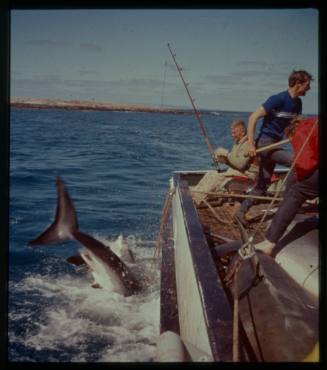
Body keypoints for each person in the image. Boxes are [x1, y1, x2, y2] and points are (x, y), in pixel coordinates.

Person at [236, 70, 313, 225]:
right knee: (296, 163)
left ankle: (240, 212)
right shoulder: (277, 99)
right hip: (265, 143)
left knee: (261, 187)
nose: (309, 88)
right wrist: (251, 144)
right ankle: (287, 202)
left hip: (276, 143)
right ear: (298, 84)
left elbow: (295, 127)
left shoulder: (298, 103)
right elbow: (253, 118)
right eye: (307, 85)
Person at [255, 116, 318, 255]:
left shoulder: (302, 131)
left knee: (297, 192)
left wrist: (299, 179)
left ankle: (270, 242)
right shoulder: (313, 122)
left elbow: (305, 164)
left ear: (291, 131)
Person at [191, 119, 258, 205]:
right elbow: (233, 161)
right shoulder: (237, 144)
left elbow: (240, 165)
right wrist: (223, 160)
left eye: (234, 132)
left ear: (242, 132)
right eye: (232, 132)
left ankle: (197, 200)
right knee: (210, 173)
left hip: (247, 174)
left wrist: (226, 153)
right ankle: (195, 194)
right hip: (238, 171)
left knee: (216, 178)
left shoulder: (248, 144)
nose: (232, 135)